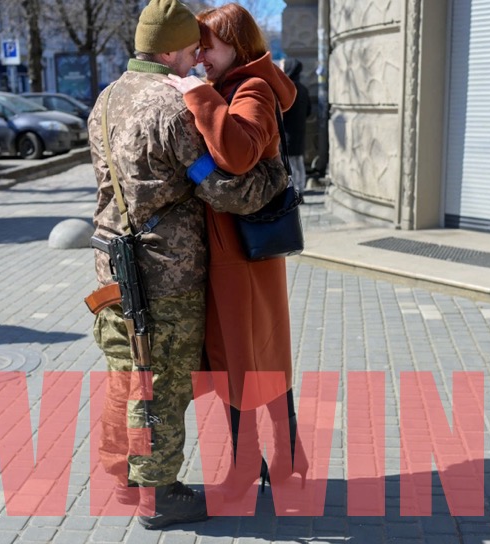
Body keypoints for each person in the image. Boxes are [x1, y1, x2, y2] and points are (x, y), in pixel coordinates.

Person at [87, 0, 288, 530]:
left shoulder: (107, 98)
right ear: (173, 49)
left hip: (110, 267)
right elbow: (225, 190)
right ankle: (160, 494)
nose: (195, 59)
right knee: (163, 382)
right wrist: (274, 179)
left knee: (126, 372)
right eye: (191, 49)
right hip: (165, 271)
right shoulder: (169, 106)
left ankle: (125, 477)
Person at [165, 3, 307, 501]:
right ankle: (283, 460)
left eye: (208, 44)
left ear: (238, 46)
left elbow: (239, 152)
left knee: (244, 361)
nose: (200, 54)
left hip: (241, 254)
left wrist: (199, 95)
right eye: (197, 45)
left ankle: (257, 464)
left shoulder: (252, 89)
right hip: (234, 251)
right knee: (249, 358)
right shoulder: (237, 86)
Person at [282, 57, 311, 196]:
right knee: (299, 162)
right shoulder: (304, 89)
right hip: (300, 131)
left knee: (290, 164)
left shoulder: (286, 88)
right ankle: (301, 189)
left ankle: (295, 192)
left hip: (287, 133)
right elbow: (309, 111)